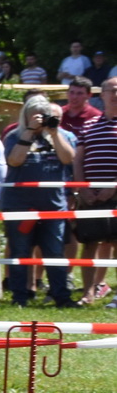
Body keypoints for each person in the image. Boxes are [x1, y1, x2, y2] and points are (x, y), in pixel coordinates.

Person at [2, 95, 78, 308]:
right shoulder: (13, 136)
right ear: (25, 115)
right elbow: (14, 160)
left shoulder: (62, 135)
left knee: (54, 252)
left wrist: (53, 133)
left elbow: (68, 158)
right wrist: (28, 132)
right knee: (20, 251)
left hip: (53, 205)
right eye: (33, 115)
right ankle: (20, 297)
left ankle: (61, 296)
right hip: (20, 205)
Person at [71, 77, 117, 306]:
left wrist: (114, 186)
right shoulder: (89, 126)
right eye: (111, 90)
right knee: (89, 243)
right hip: (90, 194)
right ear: (102, 94)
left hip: (115, 193)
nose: (115, 94)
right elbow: (77, 160)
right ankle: (87, 293)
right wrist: (81, 188)